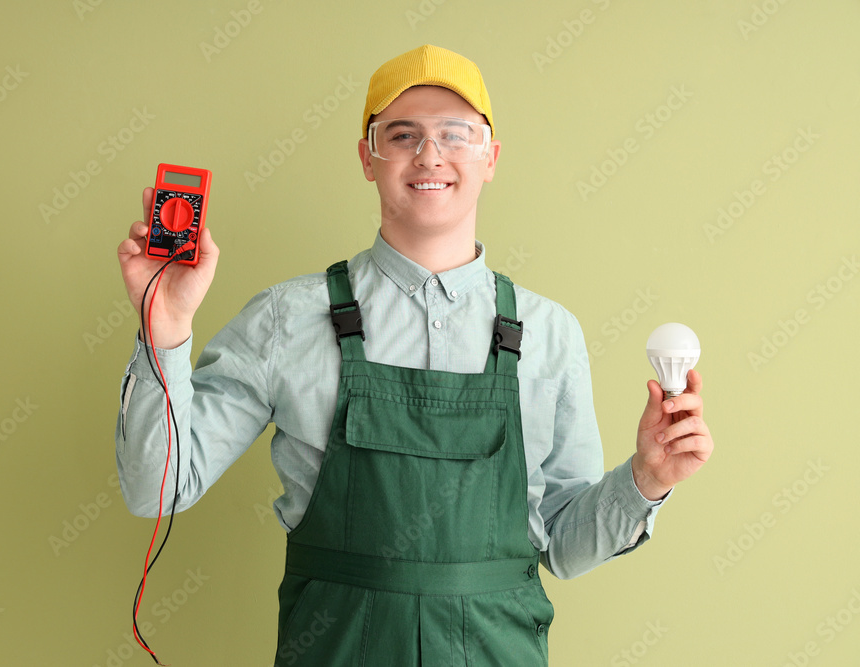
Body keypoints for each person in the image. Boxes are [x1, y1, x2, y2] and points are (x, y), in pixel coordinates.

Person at [115, 44, 713, 666]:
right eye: (401, 135)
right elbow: (155, 490)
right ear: (367, 159)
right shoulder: (284, 320)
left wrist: (647, 480)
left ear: (491, 158)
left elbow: (564, 546)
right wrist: (167, 330)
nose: (429, 155)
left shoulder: (549, 333)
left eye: (455, 135)